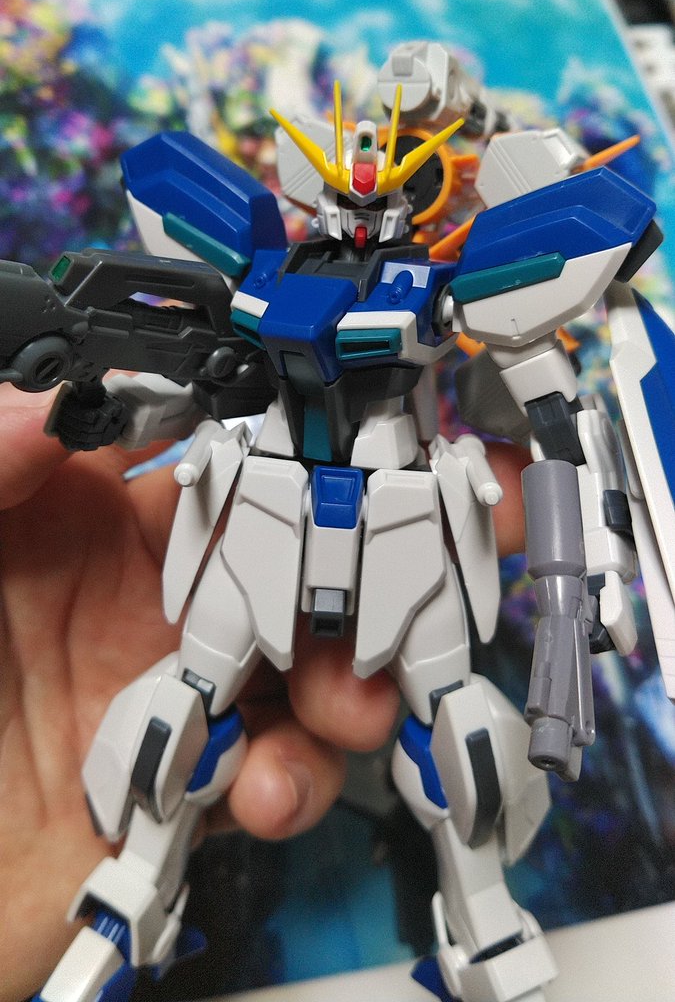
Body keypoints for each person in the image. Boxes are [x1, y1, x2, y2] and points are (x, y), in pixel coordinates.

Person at [0, 382, 528, 1002]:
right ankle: (129, 901)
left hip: (405, 519)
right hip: (268, 509)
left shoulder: (423, 327)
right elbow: (185, 387)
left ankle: (489, 928)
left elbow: (528, 388)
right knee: (183, 708)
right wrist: (101, 404)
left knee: (460, 728)